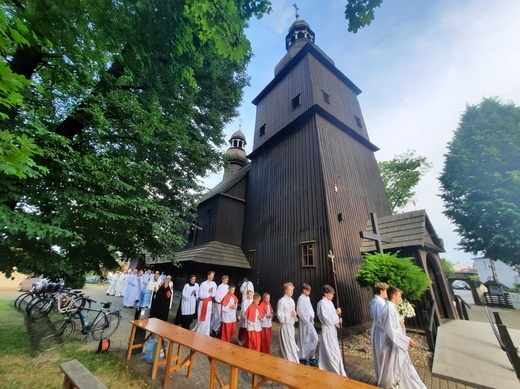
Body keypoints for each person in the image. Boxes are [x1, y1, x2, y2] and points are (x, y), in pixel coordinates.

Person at [378, 286, 426, 389]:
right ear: (394, 296)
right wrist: (407, 340)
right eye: (399, 296)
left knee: (400, 367)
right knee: (394, 369)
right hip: (392, 344)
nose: (401, 298)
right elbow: (391, 330)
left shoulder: (390, 308)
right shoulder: (389, 309)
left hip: (396, 342)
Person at [316, 284, 347, 377]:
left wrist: (338, 320)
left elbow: (333, 317)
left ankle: (336, 368)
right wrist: (336, 314)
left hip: (332, 330)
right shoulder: (321, 303)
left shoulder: (329, 302)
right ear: (326, 293)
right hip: (327, 330)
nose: (333, 295)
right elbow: (327, 319)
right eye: (331, 293)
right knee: (331, 351)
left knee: (334, 350)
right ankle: (333, 369)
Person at [276, 282, 300, 363]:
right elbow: (279, 315)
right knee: (287, 346)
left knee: (290, 344)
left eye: (292, 290)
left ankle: (283, 360)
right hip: (285, 326)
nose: (291, 291)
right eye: (290, 290)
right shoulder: (281, 301)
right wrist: (289, 314)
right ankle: (292, 362)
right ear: (285, 290)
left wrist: (294, 314)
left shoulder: (292, 301)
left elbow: (292, 314)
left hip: (291, 326)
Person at [297, 283, 319, 366]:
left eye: (309, 291)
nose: (309, 292)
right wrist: (306, 318)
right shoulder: (300, 299)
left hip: (310, 322)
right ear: (304, 290)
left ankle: (311, 356)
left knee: (315, 338)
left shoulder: (308, 299)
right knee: (303, 339)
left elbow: (311, 309)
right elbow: (300, 311)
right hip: (303, 322)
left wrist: (311, 316)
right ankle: (302, 357)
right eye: (308, 291)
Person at [370, 282, 388, 384]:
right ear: (381, 291)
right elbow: (378, 319)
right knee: (381, 353)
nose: (387, 293)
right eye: (386, 291)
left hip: (383, 330)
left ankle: (384, 377)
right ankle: (381, 379)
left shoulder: (381, 301)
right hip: (380, 331)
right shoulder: (377, 302)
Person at [192, 271, 217, 336]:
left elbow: (214, 294)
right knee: (201, 316)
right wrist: (208, 292)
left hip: (209, 302)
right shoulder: (203, 284)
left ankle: (205, 331)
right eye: (211, 275)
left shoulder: (214, 284)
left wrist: (212, 291)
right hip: (203, 302)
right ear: (208, 276)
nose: (212, 277)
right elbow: (200, 294)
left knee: (207, 317)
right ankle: (199, 329)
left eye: (213, 276)